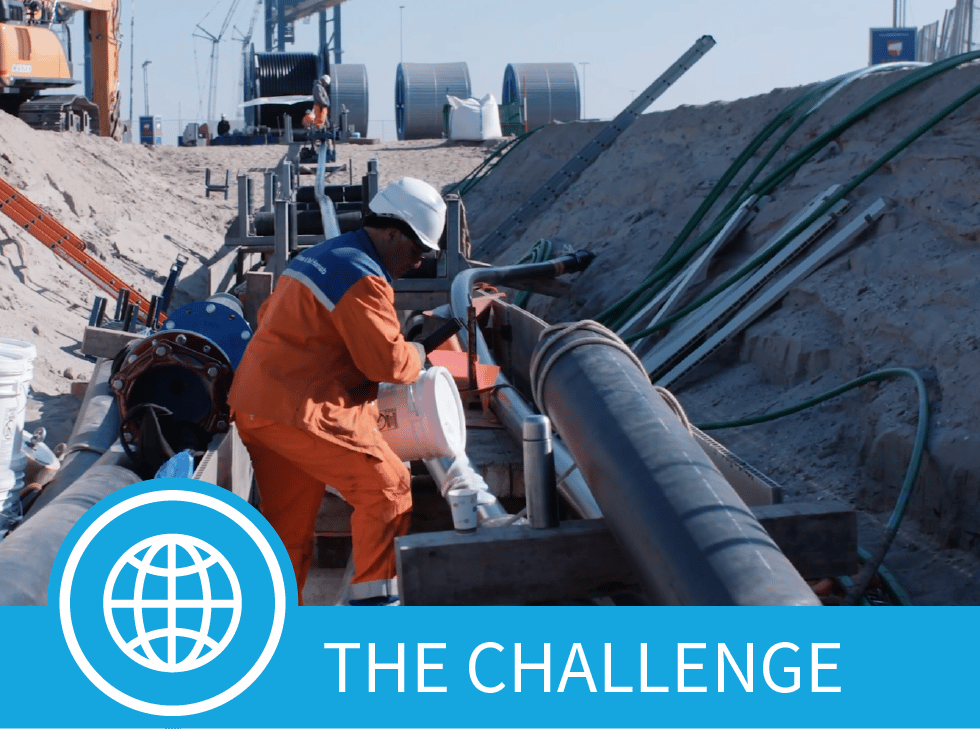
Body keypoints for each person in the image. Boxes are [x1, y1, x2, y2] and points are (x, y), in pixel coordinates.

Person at [228, 177, 446, 606]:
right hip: (299, 410)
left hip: (257, 406)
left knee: (285, 532)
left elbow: (279, 318)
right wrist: (419, 354)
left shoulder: (316, 256)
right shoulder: (362, 278)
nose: (418, 262)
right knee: (388, 489)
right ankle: (376, 611)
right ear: (391, 232)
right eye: (418, 249)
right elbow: (385, 362)